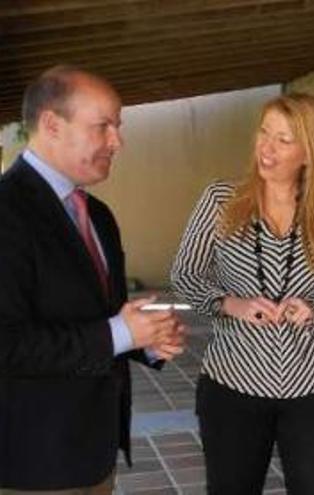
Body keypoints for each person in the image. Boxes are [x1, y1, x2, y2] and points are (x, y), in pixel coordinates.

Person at [0, 66, 186, 493]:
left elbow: (103, 318)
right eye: (103, 126)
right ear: (51, 124)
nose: (118, 141)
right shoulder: (6, 212)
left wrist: (145, 341)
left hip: (94, 453)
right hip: (30, 465)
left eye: (117, 127)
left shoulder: (97, 214)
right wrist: (120, 333)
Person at [171, 93, 314, 494]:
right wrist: (230, 303)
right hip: (232, 382)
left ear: (310, 153)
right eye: (264, 133)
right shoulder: (220, 200)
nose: (266, 147)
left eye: (283, 139)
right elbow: (185, 274)